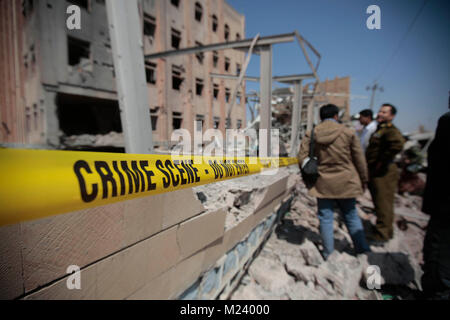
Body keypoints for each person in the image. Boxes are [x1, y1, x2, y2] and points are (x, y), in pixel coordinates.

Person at [298, 104, 370, 259]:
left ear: (320, 117)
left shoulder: (312, 133)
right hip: (346, 180)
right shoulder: (348, 132)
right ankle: (362, 250)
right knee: (351, 215)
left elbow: (302, 157)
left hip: (323, 182)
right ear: (336, 116)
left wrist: (307, 180)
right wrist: (364, 179)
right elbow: (359, 159)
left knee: (325, 217)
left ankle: (328, 253)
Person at [421, 110, 450, 299]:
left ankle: (438, 292)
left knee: (440, 253)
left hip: (445, 205)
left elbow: (439, 162)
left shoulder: (447, 122)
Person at [365, 103, 405, 245]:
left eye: (385, 112)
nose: (381, 114)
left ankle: (382, 235)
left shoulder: (390, 130)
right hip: (377, 170)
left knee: (384, 202)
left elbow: (398, 144)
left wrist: (382, 161)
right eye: (380, 111)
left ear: (392, 116)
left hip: (384, 171)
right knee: (379, 201)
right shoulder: (380, 129)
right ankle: (386, 230)